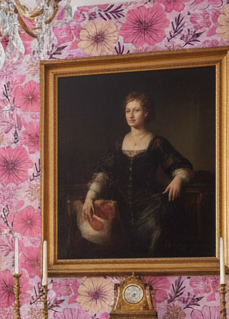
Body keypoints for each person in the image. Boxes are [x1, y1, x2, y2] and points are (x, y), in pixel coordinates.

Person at [78, 91, 194, 257]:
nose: (131, 115)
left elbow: (181, 165)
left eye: (136, 110)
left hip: (152, 209)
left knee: (153, 247)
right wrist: (90, 196)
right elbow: (103, 171)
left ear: (146, 113)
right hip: (122, 211)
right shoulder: (118, 144)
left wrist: (178, 179)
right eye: (128, 111)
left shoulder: (157, 143)